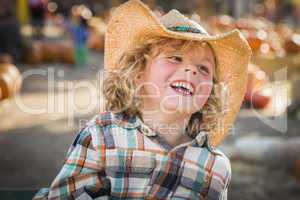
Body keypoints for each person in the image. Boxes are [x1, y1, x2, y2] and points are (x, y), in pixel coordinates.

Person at [33, 0, 251, 199]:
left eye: (203, 68)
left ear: (210, 93)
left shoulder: (215, 167)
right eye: (175, 57)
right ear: (138, 74)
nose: (190, 70)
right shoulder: (102, 136)